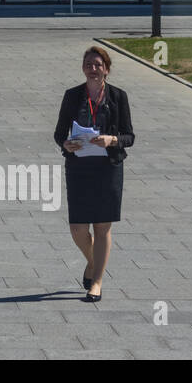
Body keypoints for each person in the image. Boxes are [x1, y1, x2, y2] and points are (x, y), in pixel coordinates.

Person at [54, 46, 135, 303]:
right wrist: (65, 144)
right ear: (83, 68)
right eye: (88, 64)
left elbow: (129, 136)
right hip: (79, 167)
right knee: (78, 228)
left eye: (98, 64)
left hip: (107, 169)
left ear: (106, 69)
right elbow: (59, 133)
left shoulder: (118, 97)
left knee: (101, 227)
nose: (93, 68)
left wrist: (112, 140)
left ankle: (96, 282)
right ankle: (93, 262)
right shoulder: (73, 96)